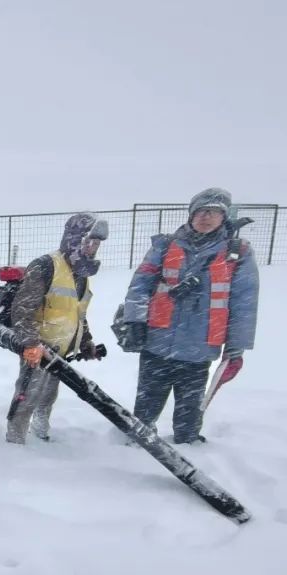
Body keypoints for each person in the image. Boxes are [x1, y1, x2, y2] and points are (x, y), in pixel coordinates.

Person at [120, 187, 259, 444]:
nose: (207, 217)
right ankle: (139, 439)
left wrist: (236, 344)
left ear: (224, 217)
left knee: (190, 406)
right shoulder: (165, 246)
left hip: (201, 345)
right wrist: (135, 320)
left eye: (215, 212)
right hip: (158, 340)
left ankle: (188, 442)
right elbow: (140, 284)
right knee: (147, 402)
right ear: (191, 214)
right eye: (202, 211)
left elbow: (244, 301)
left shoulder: (236, 253)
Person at [0, 212, 108, 444]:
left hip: (60, 350)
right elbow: (22, 310)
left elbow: (77, 313)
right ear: (74, 239)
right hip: (38, 347)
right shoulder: (46, 266)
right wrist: (31, 344)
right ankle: (15, 440)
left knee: (48, 395)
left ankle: (41, 431)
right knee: (28, 394)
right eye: (88, 241)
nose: (92, 248)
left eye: (96, 244)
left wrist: (86, 343)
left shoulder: (81, 275)